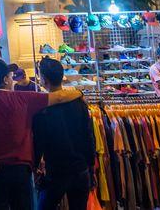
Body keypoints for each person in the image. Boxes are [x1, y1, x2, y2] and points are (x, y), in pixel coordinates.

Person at [0, 59, 83, 210]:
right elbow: (59, 97)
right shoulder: (24, 98)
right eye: (11, 77)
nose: (13, 81)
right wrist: (78, 92)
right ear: (5, 79)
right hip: (20, 170)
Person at [33, 57, 96, 210]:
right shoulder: (78, 102)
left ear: (44, 79)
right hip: (80, 168)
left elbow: (38, 143)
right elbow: (89, 137)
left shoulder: (42, 109)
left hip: (56, 171)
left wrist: (35, 167)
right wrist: (91, 166)